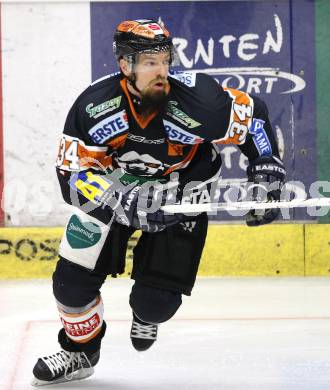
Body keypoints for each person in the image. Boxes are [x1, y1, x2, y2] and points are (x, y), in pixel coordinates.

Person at [31, 19, 286, 386]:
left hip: (182, 195)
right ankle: (80, 351)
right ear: (124, 64)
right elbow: (69, 174)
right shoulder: (94, 107)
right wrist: (117, 199)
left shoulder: (200, 100)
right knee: (70, 286)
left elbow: (253, 118)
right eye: (149, 61)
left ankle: (146, 315)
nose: (160, 70)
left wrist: (265, 164)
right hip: (114, 195)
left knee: (156, 305)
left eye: (164, 59)